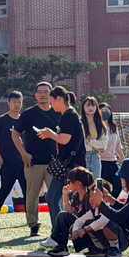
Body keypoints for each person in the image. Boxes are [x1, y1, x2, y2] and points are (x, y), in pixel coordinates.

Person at [35, 86, 86, 244]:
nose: (51, 104)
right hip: (64, 166)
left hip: (72, 166)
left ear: (58, 99)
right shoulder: (66, 115)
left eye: (52, 100)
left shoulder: (70, 115)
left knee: (71, 201)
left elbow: (64, 139)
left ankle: (71, 234)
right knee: (51, 197)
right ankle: (57, 234)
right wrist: (50, 133)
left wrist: (50, 134)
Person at [10, 83, 60, 236]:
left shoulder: (59, 113)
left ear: (51, 95)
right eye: (40, 92)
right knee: (32, 196)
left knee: (55, 196)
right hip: (33, 162)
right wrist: (23, 153)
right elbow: (15, 134)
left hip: (54, 162)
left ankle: (58, 226)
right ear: (35, 95)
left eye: (46, 92)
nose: (43, 95)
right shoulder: (28, 114)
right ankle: (33, 225)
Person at [46, 167, 126, 257]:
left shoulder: (91, 195)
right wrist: (65, 196)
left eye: (69, 181)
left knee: (90, 222)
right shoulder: (76, 195)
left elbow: (98, 219)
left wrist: (82, 228)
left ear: (77, 183)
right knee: (63, 216)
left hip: (93, 228)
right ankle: (62, 246)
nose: (68, 184)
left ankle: (100, 247)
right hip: (84, 226)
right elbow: (70, 211)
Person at [0, 91, 28, 226]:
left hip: (23, 161)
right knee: (6, 188)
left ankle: (30, 217)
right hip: (6, 161)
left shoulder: (24, 120)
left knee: (27, 189)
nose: (16, 104)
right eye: (14, 102)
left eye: (19, 102)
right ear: (9, 103)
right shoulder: (2, 120)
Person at [98, 104, 125, 188]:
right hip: (100, 162)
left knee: (117, 187)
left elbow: (118, 146)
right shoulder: (97, 127)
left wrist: (123, 160)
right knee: (103, 187)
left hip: (112, 161)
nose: (104, 112)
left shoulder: (113, 127)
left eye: (106, 110)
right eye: (102, 111)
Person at [80, 96, 107, 178]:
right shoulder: (79, 123)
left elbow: (103, 145)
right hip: (82, 156)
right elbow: (79, 142)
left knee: (95, 182)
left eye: (93, 105)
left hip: (95, 156)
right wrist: (95, 144)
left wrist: (89, 141)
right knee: (83, 181)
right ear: (83, 107)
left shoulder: (100, 124)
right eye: (88, 105)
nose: (90, 108)